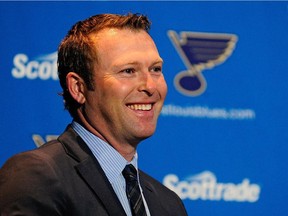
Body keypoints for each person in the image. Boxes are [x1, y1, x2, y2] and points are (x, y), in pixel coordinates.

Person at [0, 13, 188, 216]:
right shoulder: (36, 175)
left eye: (156, 69)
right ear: (78, 88)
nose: (150, 86)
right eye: (128, 71)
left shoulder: (169, 204)